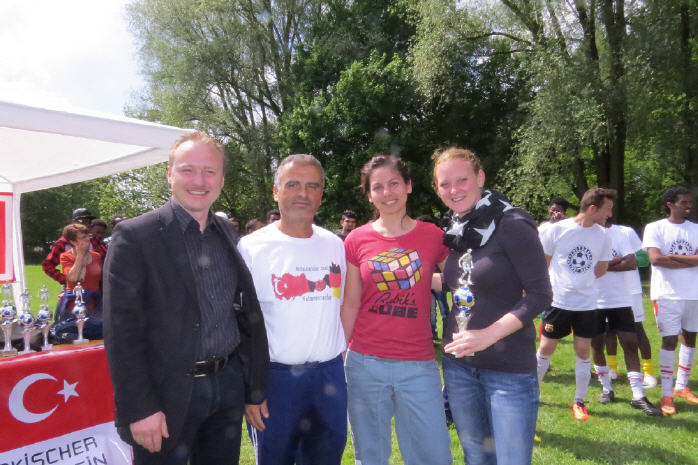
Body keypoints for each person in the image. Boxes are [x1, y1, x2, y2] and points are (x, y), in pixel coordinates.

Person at [102, 131, 269, 465]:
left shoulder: (226, 232)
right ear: (170, 174)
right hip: (166, 396)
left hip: (226, 387)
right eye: (188, 170)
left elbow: (243, 314)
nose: (199, 181)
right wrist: (140, 408)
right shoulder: (136, 237)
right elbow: (121, 333)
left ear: (221, 179)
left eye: (209, 171)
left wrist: (251, 387)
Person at [432, 147, 551, 465]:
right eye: (445, 184)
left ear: (480, 177)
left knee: (511, 459)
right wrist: (411, 279)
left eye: (462, 180)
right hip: (459, 367)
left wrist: (489, 334)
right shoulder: (458, 228)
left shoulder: (512, 223)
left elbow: (540, 294)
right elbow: (461, 283)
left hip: (508, 370)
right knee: (477, 456)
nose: (454, 190)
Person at [341, 154, 452, 465]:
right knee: (371, 456)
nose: (387, 193)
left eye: (394, 183)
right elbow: (351, 302)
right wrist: (340, 353)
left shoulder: (433, 235)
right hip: (364, 363)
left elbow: (461, 280)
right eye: (377, 187)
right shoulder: (356, 239)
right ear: (369, 195)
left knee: (433, 456)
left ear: (408, 186)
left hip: (418, 364)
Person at [238, 154, 347, 465]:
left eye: (312, 186)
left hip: (329, 376)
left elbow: (341, 305)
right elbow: (239, 323)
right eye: (293, 184)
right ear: (276, 191)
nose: (303, 193)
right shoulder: (251, 247)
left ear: (321, 194)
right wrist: (251, 389)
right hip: (276, 379)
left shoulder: (334, 244)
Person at [537, 188, 615, 421]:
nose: (610, 214)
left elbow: (601, 269)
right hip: (558, 301)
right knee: (546, 348)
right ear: (592, 208)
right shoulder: (556, 230)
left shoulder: (603, 235)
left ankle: (579, 401)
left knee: (583, 350)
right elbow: (543, 264)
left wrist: (581, 282)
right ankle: (531, 394)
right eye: (607, 209)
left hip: (586, 303)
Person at [590, 220, 661, 415]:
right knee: (598, 343)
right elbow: (586, 266)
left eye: (610, 208)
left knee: (632, 340)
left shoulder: (623, 232)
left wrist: (603, 266)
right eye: (605, 208)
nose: (608, 213)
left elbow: (635, 261)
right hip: (594, 299)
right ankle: (607, 387)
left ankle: (640, 391)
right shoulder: (584, 233)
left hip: (624, 296)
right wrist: (615, 261)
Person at [642, 186, 698, 415]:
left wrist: (673, 256)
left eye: (690, 202)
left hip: (693, 293)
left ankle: (681, 386)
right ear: (670, 204)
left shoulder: (696, 229)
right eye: (684, 202)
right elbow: (655, 259)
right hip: (666, 294)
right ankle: (667, 394)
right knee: (670, 341)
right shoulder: (655, 228)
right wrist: (689, 260)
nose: (689, 206)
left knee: (690, 339)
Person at [56, 223, 103, 318]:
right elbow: (73, 278)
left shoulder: (96, 256)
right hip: (74, 308)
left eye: (87, 236)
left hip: (95, 305)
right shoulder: (66, 257)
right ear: (73, 242)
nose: (88, 239)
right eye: (83, 237)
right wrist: (80, 255)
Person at [41, 208, 95, 285]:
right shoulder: (62, 243)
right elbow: (47, 265)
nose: (87, 224)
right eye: (83, 221)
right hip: (72, 287)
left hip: (95, 287)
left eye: (89, 222)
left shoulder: (94, 241)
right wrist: (65, 280)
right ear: (73, 222)